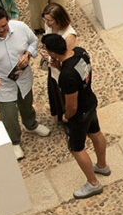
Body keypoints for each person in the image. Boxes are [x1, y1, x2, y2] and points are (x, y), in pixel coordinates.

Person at [0, 7, 51, 161]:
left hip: (23, 78)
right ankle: (14, 141)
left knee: (27, 104)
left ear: (8, 20)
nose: (1, 30)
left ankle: (30, 125)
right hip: (2, 84)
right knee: (8, 115)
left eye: (4, 26)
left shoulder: (20, 27)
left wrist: (27, 54)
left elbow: (33, 41)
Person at [42, 33, 110, 199]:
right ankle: (102, 165)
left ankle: (93, 183)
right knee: (96, 133)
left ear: (52, 53)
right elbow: (78, 75)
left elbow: (72, 104)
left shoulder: (66, 76)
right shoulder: (80, 52)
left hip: (79, 114)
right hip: (90, 102)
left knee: (76, 148)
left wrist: (66, 116)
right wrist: (59, 66)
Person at [39, 3, 77, 123]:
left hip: (61, 70)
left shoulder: (69, 35)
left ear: (59, 19)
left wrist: (49, 57)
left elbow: (65, 57)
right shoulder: (49, 26)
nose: (47, 23)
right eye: (45, 20)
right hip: (53, 69)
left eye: (50, 20)